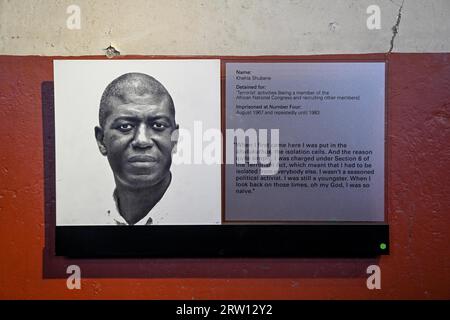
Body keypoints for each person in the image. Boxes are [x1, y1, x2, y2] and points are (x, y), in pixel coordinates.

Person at [94, 72, 179, 225]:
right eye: (125, 126)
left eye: (158, 125)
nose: (142, 140)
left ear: (175, 138)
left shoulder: (207, 216)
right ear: (101, 140)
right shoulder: (84, 220)